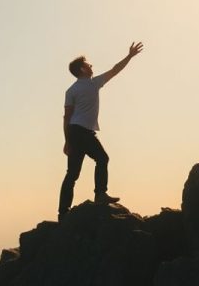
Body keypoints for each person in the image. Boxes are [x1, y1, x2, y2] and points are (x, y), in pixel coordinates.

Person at [58, 42, 143, 220]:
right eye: (88, 64)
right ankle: (100, 194)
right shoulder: (92, 84)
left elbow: (67, 117)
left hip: (75, 132)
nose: (91, 66)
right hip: (81, 132)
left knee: (72, 174)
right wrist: (129, 56)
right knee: (102, 158)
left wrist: (67, 140)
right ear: (82, 69)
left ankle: (63, 212)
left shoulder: (74, 89)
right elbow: (115, 70)